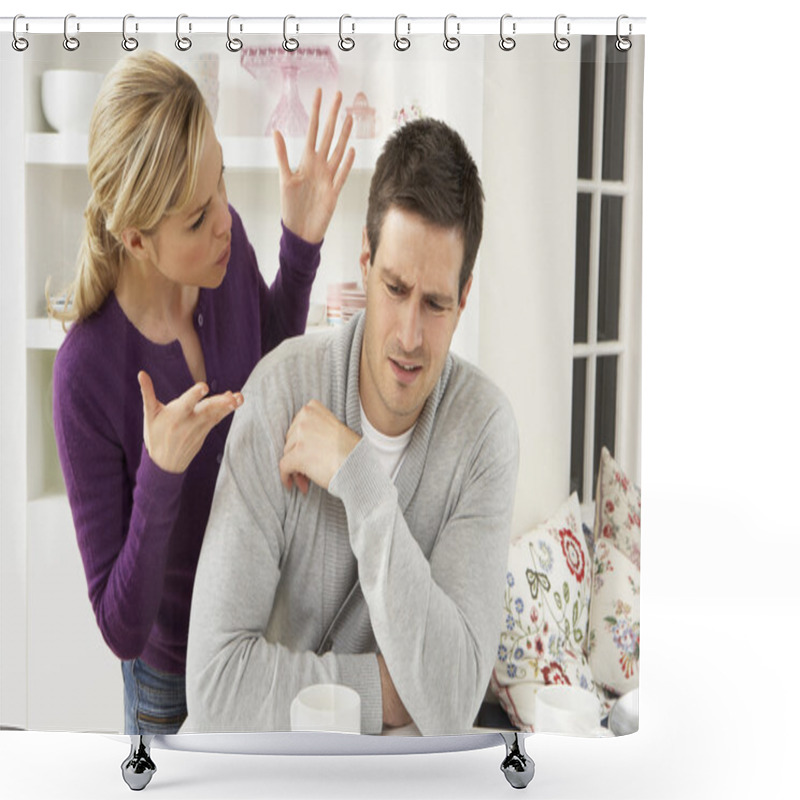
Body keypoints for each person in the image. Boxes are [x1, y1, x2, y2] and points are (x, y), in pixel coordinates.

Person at [184, 118, 520, 737]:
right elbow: (213, 687)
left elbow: (448, 702)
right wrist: (387, 694)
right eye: (394, 288)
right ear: (365, 260)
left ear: (464, 297)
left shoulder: (485, 432)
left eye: (437, 303)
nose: (410, 336)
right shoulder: (278, 391)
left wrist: (360, 478)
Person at [51, 50, 354, 735]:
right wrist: (161, 474)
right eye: (195, 218)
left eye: (219, 182)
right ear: (135, 238)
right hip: (170, 678)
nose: (223, 218)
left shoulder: (229, 250)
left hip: (259, 639)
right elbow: (122, 629)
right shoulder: (87, 374)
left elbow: (265, 363)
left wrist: (300, 249)